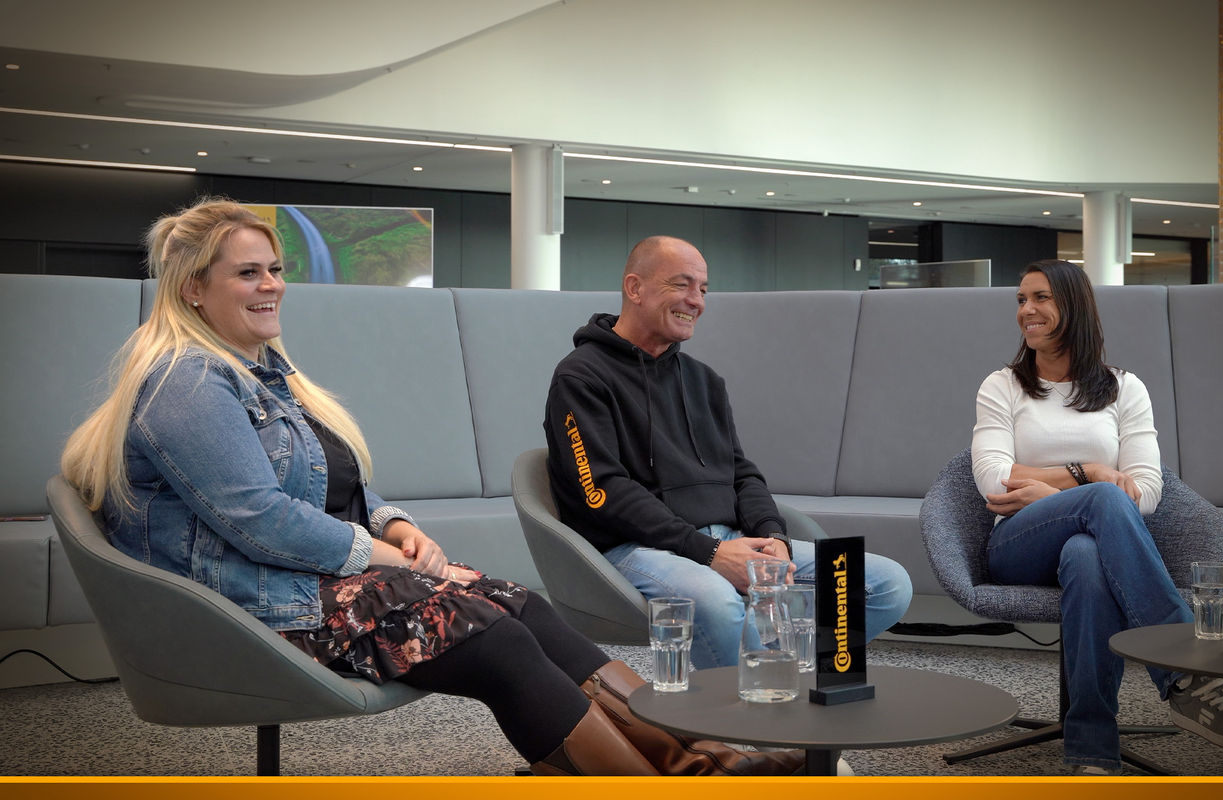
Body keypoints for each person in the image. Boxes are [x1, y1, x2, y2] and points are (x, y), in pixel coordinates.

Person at [59, 198, 804, 777]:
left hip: (316, 578)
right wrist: (386, 560)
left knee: (522, 607)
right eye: (248, 272)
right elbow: (260, 522)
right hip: (262, 603)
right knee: (494, 639)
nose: (271, 285)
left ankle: (688, 759)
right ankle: (665, 774)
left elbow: (340, 486)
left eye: (276, 268)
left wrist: (393, 526)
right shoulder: (187, 384)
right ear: (193, 289)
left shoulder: (265, 375)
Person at [543, 235, 912, 670]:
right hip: (635, 548)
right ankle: (761, 705)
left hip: (731, 539)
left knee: (886, 582)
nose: (695, 300)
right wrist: (708, 553)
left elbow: (741, 474)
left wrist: (774, 539)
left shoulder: (704, 380)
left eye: (703, 289)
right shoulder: (580, 378)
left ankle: (778, 676)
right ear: (635, 288)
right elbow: (602, 492)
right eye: (682, 285)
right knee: (715, 600)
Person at [971, 259, 1223, 775]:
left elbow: (1147, 491)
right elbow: (994, 481)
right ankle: (1185, 668)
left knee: (1086, 554)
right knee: (1105, 499)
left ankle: (1091, 750)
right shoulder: (1001, 386)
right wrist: (1091, 473)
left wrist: (1047, 486)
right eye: (1020, 299)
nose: (1026, 310)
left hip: (1086, 541)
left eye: (1040, 298)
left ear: (1074, 306)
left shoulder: (1125, 388)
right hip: (1018, 545)